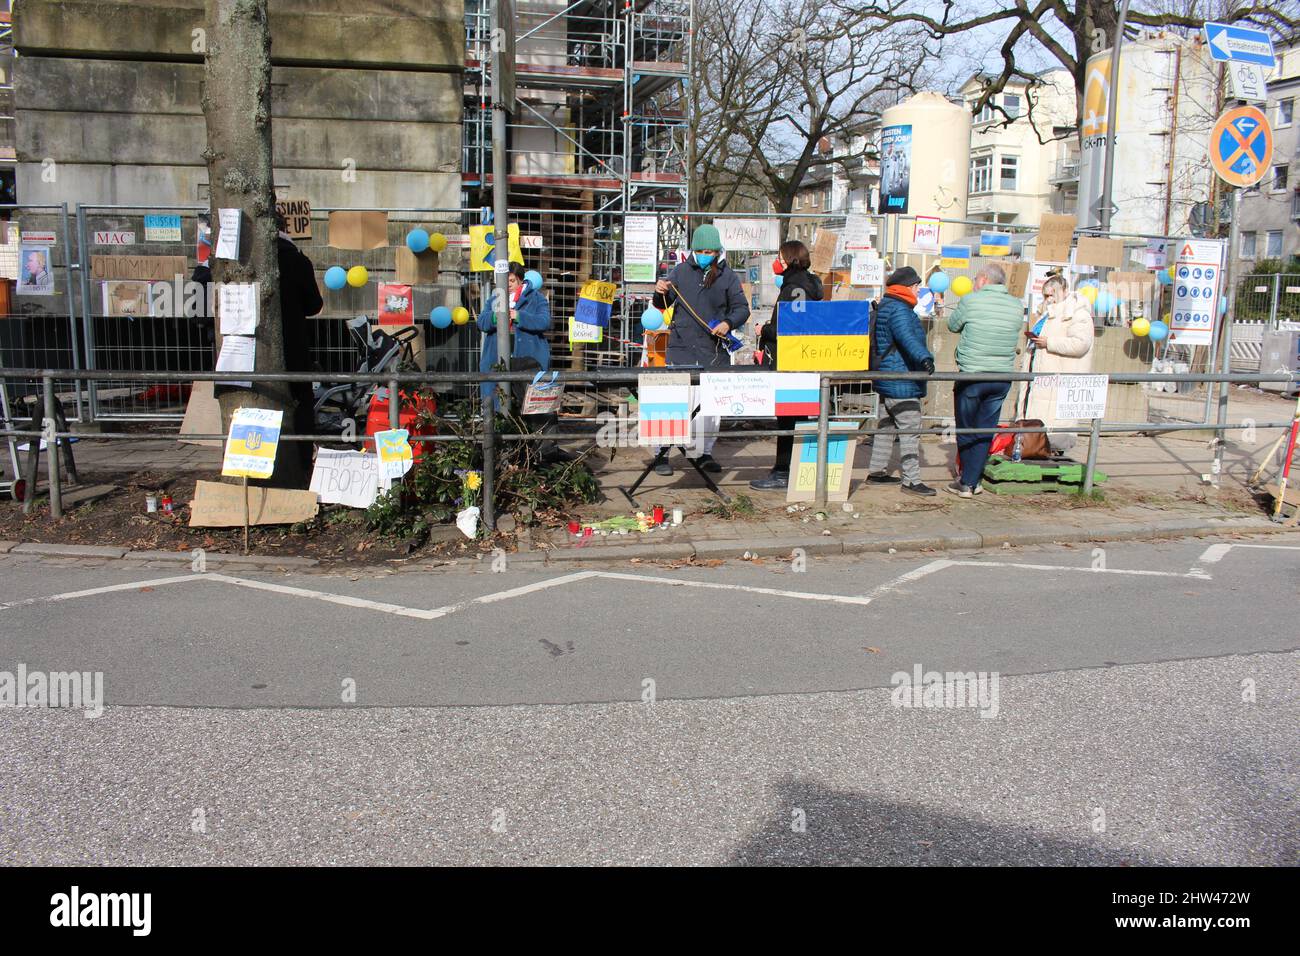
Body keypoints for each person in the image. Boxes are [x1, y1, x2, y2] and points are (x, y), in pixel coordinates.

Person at [651, 224, 749, 476]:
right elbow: (662, 304)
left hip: (712, 350)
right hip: (681, 347)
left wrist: (728, 323)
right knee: (671, 401)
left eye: (712, 251)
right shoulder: (680, 272)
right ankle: (661, 453)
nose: (708, 255)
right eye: (703, 250)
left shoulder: (728, 276)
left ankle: (704, 452)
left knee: (710, 407)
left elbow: (741, 308)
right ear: (694, 249)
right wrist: (659, 292)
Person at [946, 262, 1023, 498]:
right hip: (1001, 375)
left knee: (967, 427)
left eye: (975, 279)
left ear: (983, 280)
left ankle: (967, 482)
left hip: (973, 373)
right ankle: (974, 479)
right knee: (985, 429)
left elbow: (952, 325)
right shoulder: (1016, 305)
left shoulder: (971, 300)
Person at [750, 239, 822, 490]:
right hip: (802, 361)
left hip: (791, 363)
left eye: (779, 256)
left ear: (789, 259)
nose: (776, 262)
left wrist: (764, 329)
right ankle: (793, 469)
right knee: (797, 417)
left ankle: (783, 472)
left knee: (788, 418)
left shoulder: (795, 287)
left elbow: (789, 327)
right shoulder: (808, 285)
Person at [865, 266, 937, 496]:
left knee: (886, 427)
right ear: (908, 287)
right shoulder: (900, 311)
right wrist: (925, 359)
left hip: (886, 376)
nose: (918, 290)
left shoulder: (887, 305)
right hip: (902, 378)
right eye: (917, 286)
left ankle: (876, 472)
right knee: (910, 429)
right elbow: (908, 338)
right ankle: (911, 480)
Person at [1020, 273, 1094, 455]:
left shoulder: (1077, 314)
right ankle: (1034, 445)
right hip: (1041, 378)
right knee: (1038, 419)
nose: (1049, 299)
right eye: (1045, 295)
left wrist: (1049, 343)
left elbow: (1080, 344)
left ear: (1064, 291)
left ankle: (1051, 447)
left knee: (1054, 424)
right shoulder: (1047, 314)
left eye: (1052, 294)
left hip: (1058, 379)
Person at [276, 212, 324, 475]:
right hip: (294, 344)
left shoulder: (247, 258)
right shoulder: (296, 259)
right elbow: (314, 304)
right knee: (301, 403)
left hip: (253, 351)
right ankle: (303, 464)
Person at [477, 262, 553, 409]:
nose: (508, 285)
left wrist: (519, 316)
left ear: (520, 280)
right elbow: (481, 322)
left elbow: (544, 322)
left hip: (528, 360)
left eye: (511, 280)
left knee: (529, 406)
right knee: (497, 404)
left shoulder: (537, 298)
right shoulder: (494, 299)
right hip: (496, 359)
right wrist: (495, 317)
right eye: (504, 281)